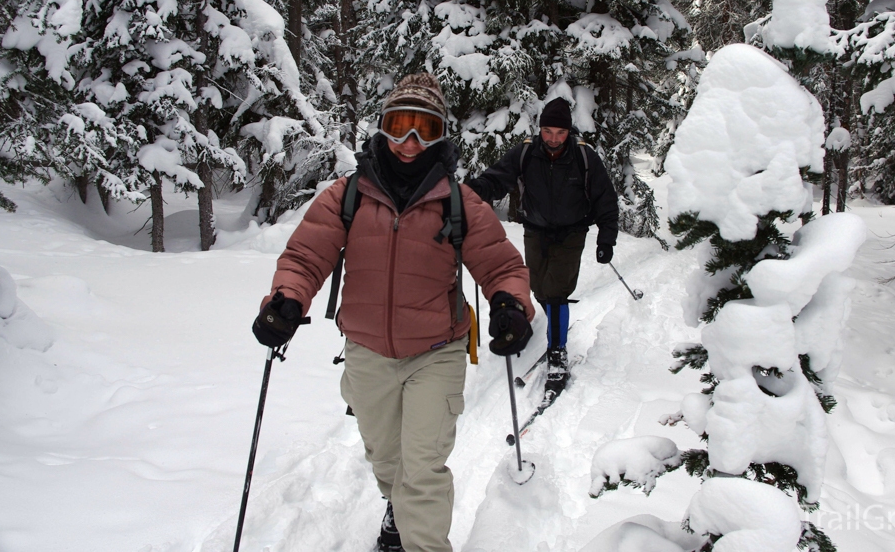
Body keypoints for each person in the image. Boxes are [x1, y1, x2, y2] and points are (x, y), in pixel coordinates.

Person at [251, 73, 535, 552]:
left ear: (440, 135)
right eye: (400, 125)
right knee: (385, 457)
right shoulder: (348, 196)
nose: (409, 141)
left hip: (435, 351)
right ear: (382, 127)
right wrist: (288, 299)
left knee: (421, 467)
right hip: (366, 352)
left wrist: (509, 304)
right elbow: (305, 257)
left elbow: (501, 265)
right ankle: (395, 505)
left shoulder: (458, 202)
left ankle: (418, 533)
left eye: (424, 129)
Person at [465, 98, 619, 396]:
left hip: (571, 232)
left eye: (560, 133)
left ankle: (557, 351)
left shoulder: (583, 157)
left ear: (569, 133)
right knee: (537, 287)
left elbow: (605, 199)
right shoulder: (525, 152)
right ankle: (555, 325)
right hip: (535, 230)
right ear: (540, 130)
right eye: (548, 132)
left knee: (557, 291)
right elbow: (497, 178)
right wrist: (473, 192)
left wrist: (606, 238)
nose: (553, 139)